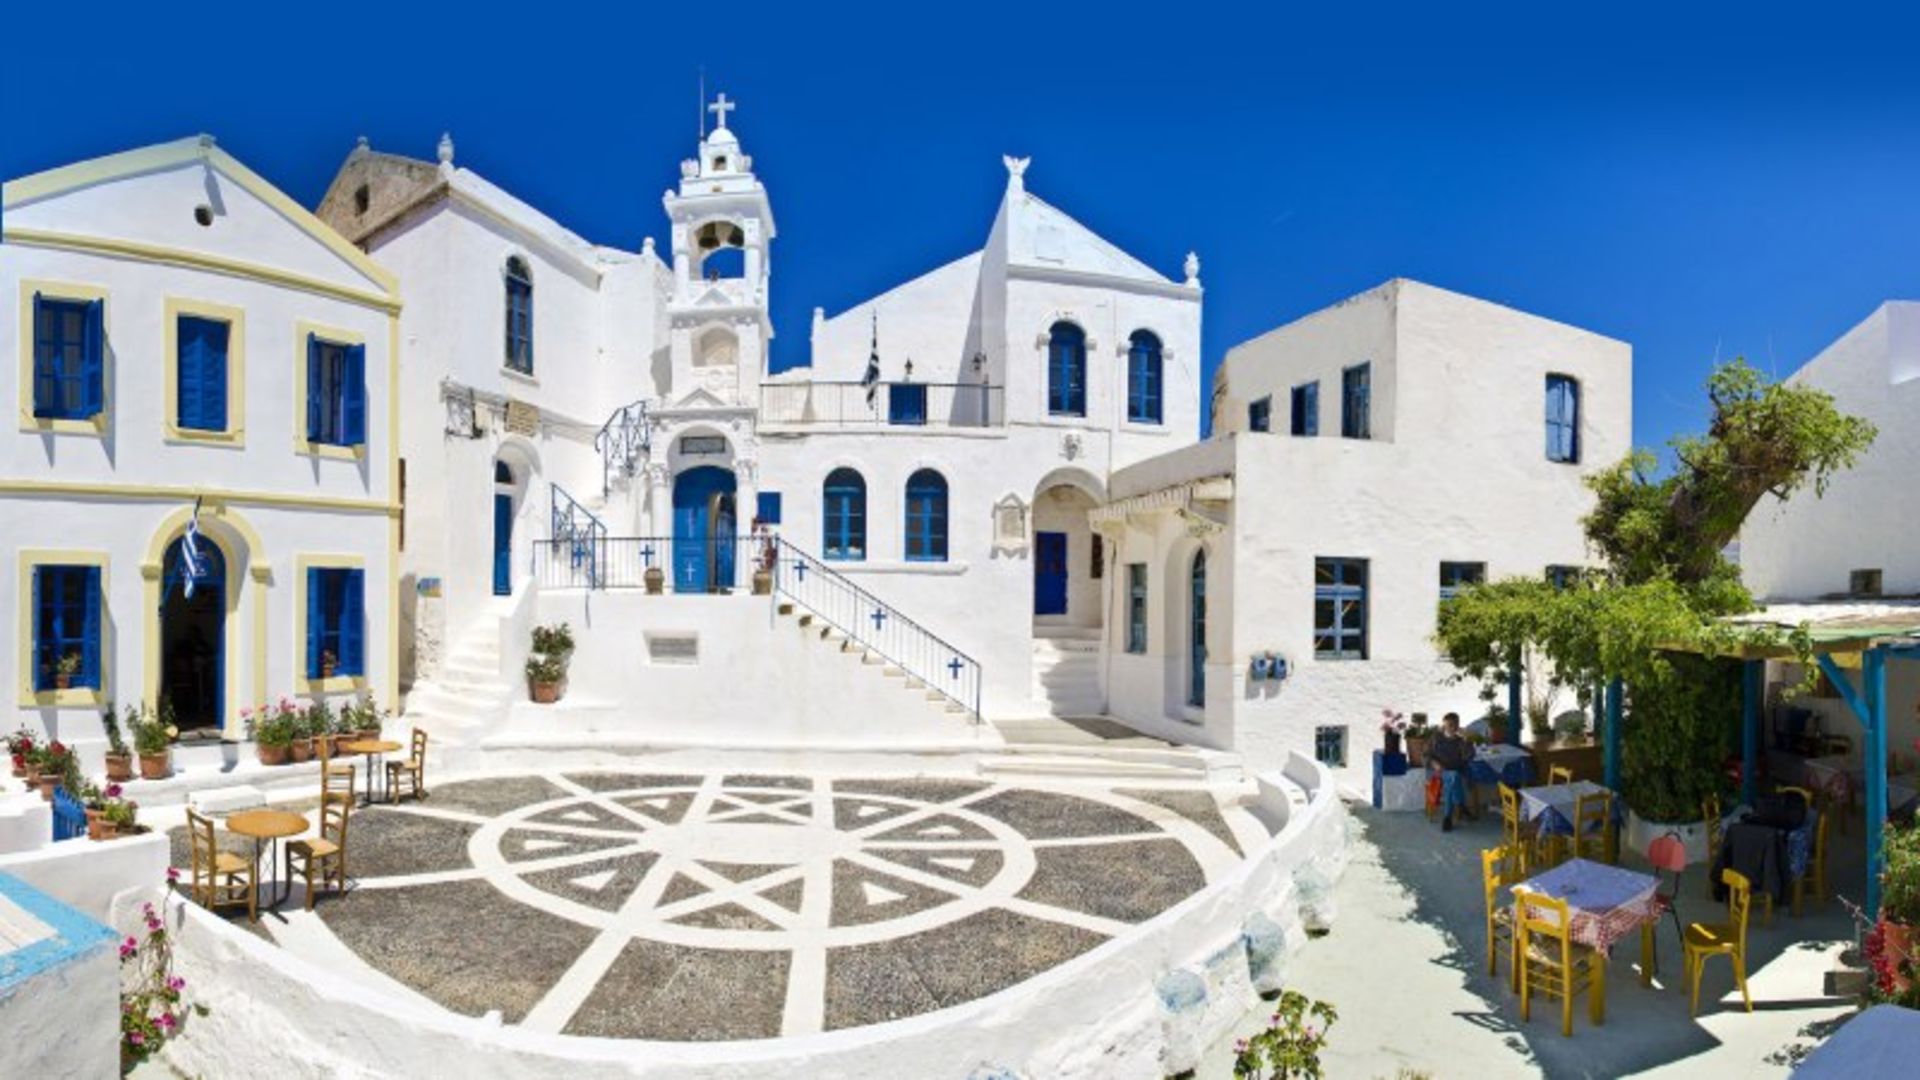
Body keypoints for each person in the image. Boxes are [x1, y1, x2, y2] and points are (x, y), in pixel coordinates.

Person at [1429, 712, 1477, 831]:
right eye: (1449, 725)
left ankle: (1447, 817)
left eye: (1455, 725)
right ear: (1444, 725)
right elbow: (1426, 755)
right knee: (1454, 778)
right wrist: (1433, 763)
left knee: (1454, 777)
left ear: (1458, 726)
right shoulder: (1436, 738)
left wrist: (1467, 741)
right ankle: (1460, 805)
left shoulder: (1460, 741)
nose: (1452, 728)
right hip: (1439, 771)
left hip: (1456, 772)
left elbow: (1469, 756)